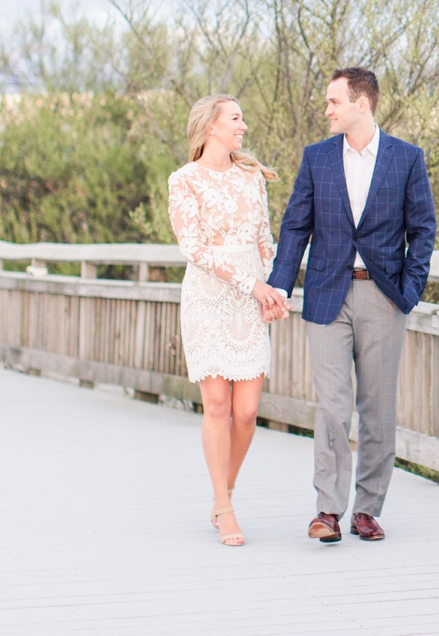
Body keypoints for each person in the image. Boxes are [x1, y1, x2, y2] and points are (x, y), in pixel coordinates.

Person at [268, 67, 437, 543]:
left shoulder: (406, 158)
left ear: (361, 104)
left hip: (384, 295)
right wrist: (280, 286)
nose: (326, 110)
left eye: (333, 102)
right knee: (332, 407)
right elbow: (295, 226)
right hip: (326, 294)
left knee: (378, 407)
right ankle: (328, 510)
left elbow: (423, 230)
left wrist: (410, 288)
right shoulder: (317, 158)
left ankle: (367, 509)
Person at [167, 95, 289, 547]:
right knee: (217, 406)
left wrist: (273, 288)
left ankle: (226, 488)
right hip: (209, 296)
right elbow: (193, 249)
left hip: (251, 298)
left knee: (247, 411)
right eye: (236, 118)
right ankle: (224, 505)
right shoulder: (184, 181)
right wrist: (250, 284)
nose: (243, 125)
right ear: (211, 126)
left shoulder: (251, 176)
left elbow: (264, 239)